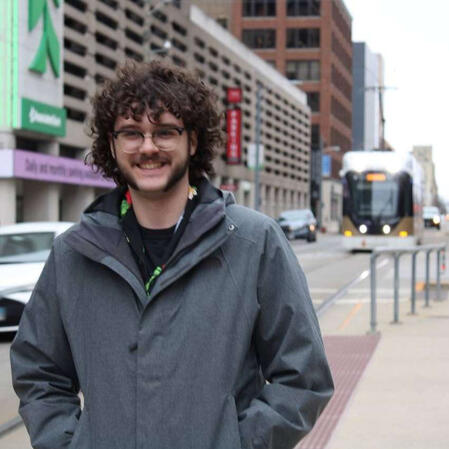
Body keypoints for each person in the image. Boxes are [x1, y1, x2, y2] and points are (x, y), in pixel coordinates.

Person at [10, 61, 333, 449]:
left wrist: (239, 443)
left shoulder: (253, 242)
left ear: (192, 141)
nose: (148, 147)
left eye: (164, 132)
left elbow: (304, 376)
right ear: (112, 145)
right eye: (131, 133)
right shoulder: (73, 253)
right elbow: (38, 372)